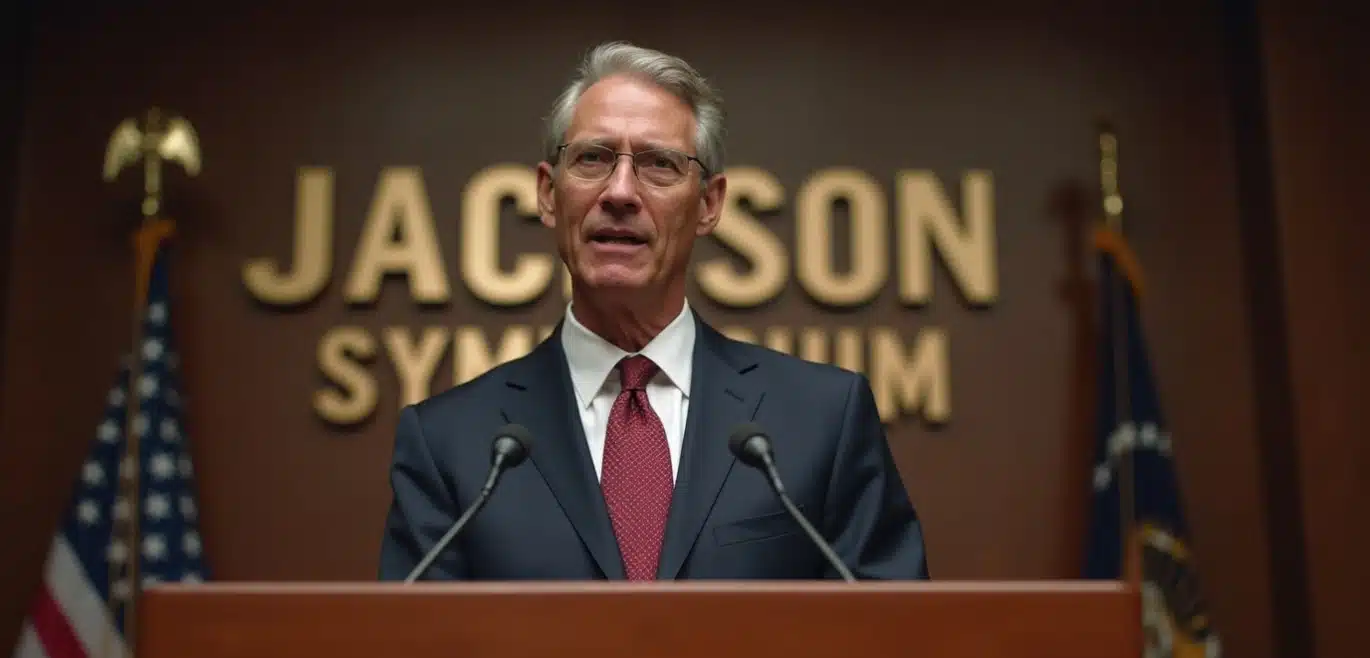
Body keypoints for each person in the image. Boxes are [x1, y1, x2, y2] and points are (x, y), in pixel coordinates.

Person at [377, 41, 929, 581]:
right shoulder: (449, 443)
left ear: (709, 204)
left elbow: (892, 628)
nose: (620, 192)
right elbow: (414, 631)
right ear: (548, 193)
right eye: (593, 158)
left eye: (659, 164)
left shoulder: (822, 419)